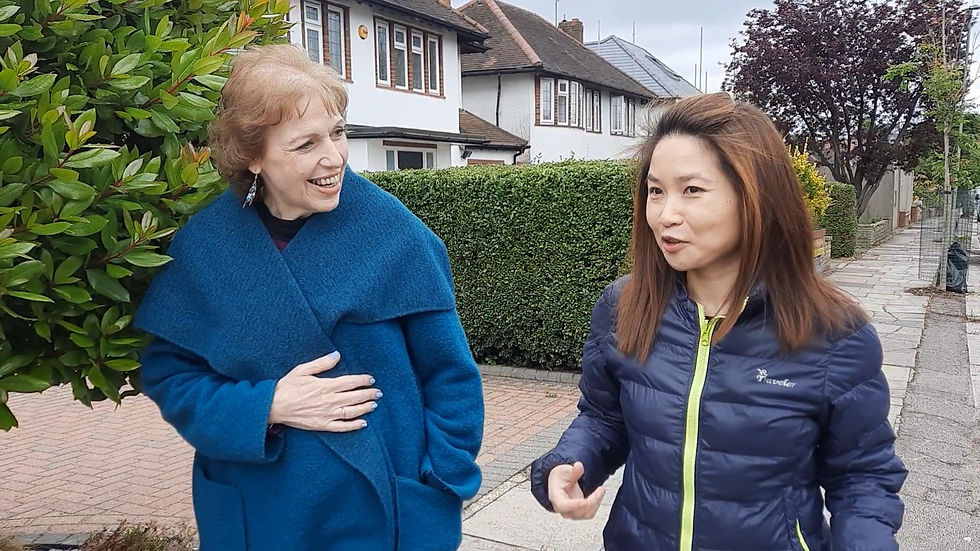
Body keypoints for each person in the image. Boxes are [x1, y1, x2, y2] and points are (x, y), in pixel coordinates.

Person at [135, 44, 484, 551]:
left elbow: (451, 378)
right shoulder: (206, 246)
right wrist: (265, 406)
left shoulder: (397, 235)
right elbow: (171, 377)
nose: (333, 157)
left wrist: (439, 488)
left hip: (380, 513)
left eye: (337, 133)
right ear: (254, 157)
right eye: (305, 144)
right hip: (260, 511)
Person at [529, 92, 907, 551]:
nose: (665, 215)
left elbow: (863, 477)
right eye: (655, 191)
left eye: (692, 190)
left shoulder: (835, 333)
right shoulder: (624, 305)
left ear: (755, 197)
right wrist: (567, 465)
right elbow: (605, 418)